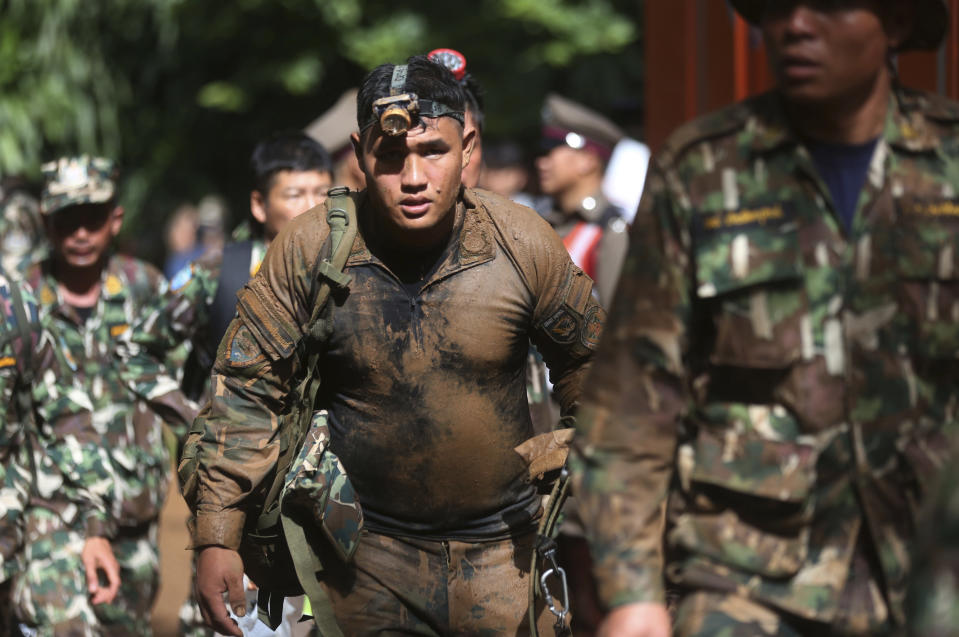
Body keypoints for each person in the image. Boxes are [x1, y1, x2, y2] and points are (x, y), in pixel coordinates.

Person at [570, 1, 957, 636]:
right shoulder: (702, 170)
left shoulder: (950, 163)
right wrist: (632, 592)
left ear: (895, 21)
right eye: (777, 5)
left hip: (934, 575)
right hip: (746, 580)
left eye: (828, 4)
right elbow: (632, 402)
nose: (796, 25)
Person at [185, 55, 602, 636]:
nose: (412, 177)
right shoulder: (310, 250)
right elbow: (248, 394)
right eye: (390, 156)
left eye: (433, 151)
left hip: (505, 558)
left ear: (468, 148)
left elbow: (593, 368)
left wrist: (594, 502)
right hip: (364, 563)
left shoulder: (522, 243)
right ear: (359, 154)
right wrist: (217, 535)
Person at [121, 131, 332, 636]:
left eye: (322, 193)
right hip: (238, 496)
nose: (311, 207)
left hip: (325, 498)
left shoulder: (350, 271)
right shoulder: (218, 272)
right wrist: (194, 411)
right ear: (260, 203)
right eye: (294, 194)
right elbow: (134, 349)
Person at [22, 155, 177, 635]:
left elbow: (182, 387)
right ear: (47, 224)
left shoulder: (145, 288)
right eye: (66, 220)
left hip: (132, 507)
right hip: (51, 506)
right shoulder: (21, 299)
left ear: (116, 218)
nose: (80, 233)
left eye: (92, 217)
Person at [0, 270, 122, 636]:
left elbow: (66, 417)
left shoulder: (16, 309)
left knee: (70, 621)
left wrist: (95, 528)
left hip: (16, 510)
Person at [537, 93, 629, 307]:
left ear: (587, 161)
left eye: (551, 151)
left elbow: (612, 320)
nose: (542, 163)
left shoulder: (610, 230)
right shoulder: (548, 222)